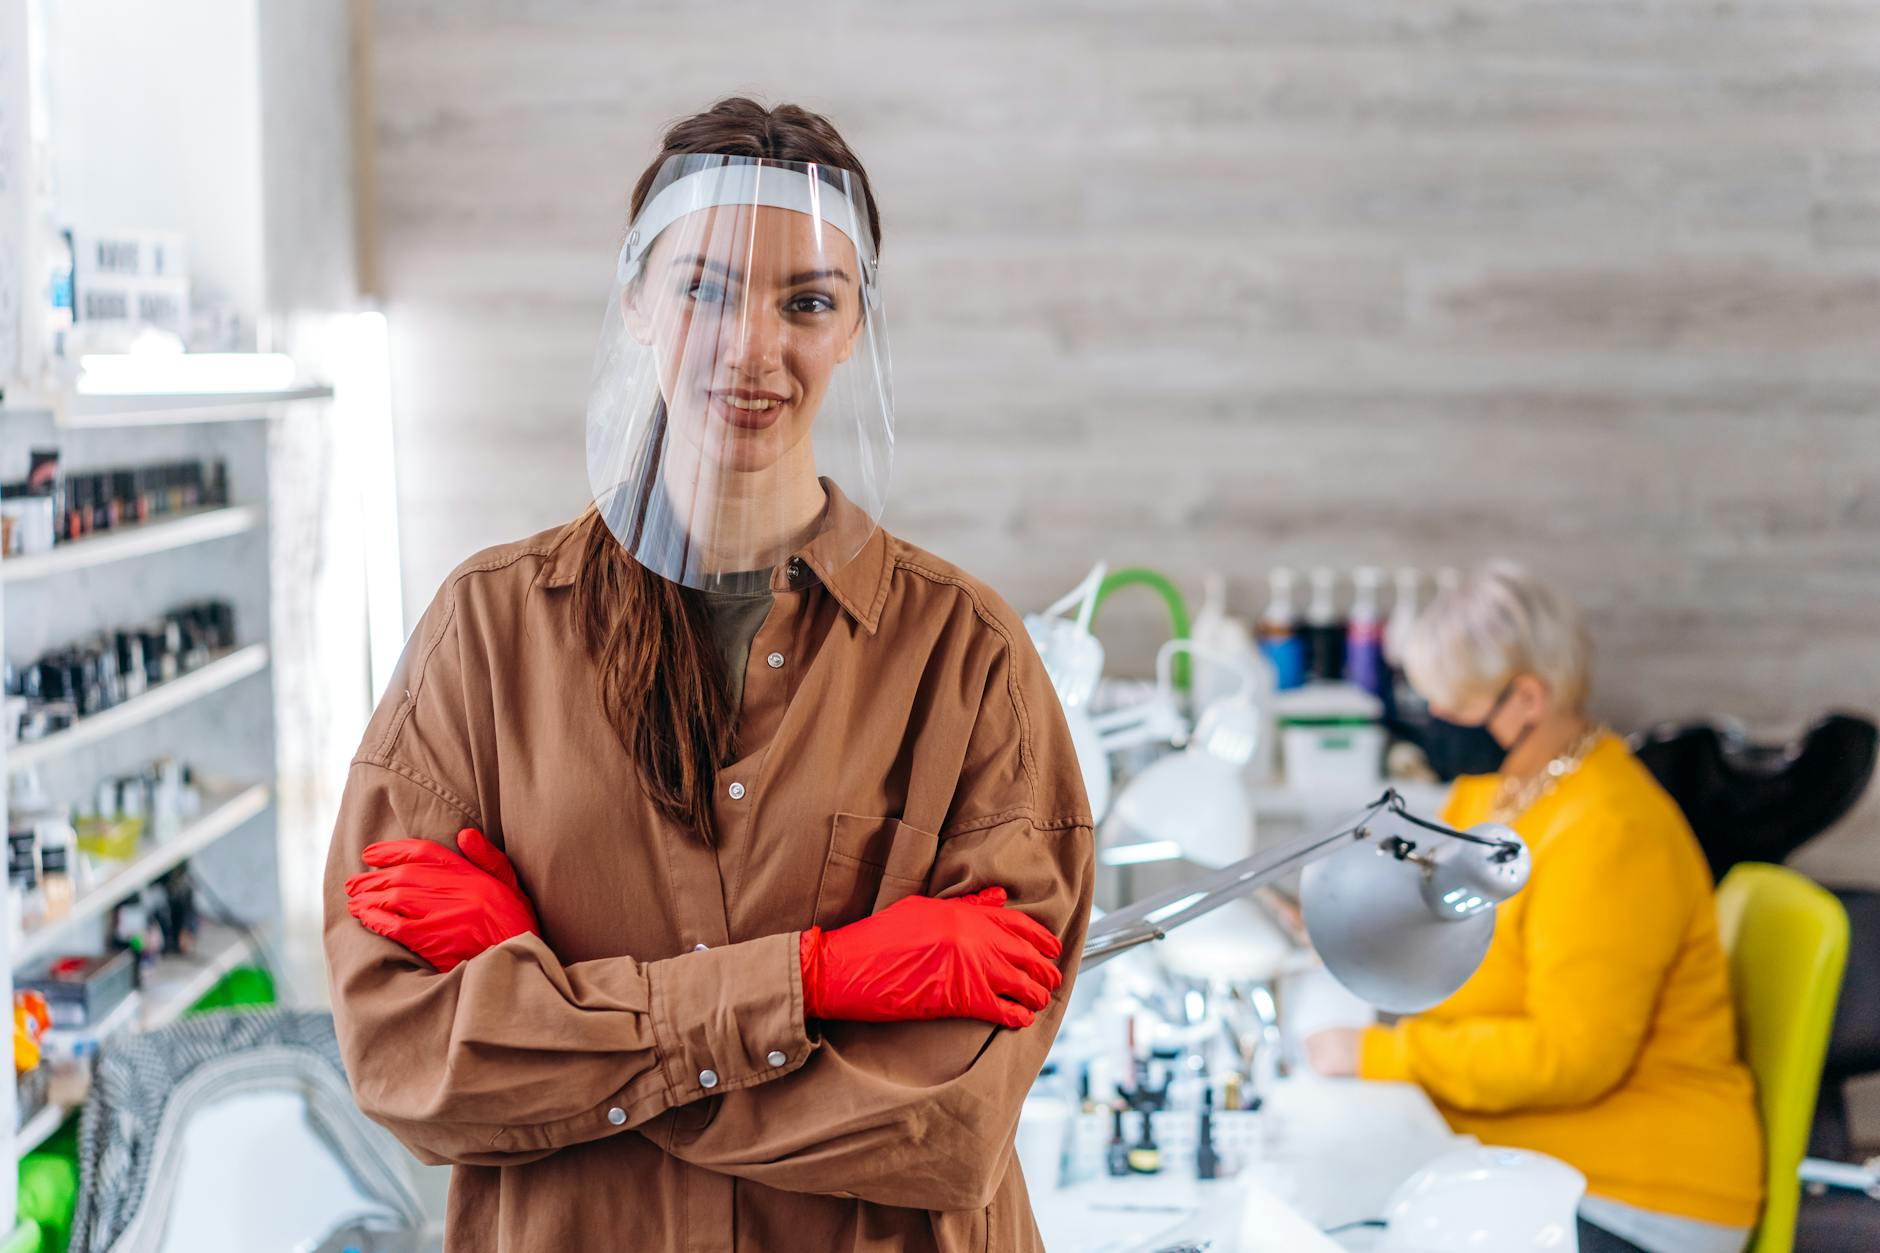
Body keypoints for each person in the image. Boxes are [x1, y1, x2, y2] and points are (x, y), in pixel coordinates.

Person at [323, 97, 1094, 1253]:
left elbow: (944, 1123)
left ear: (854, 328)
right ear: (636, 299)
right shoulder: (484, 632)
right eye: (705, 288)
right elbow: (409, 1062)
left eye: (807, 301)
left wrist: (556, 1016)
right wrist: (817, 979)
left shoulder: (968, 658)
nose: (751, 347)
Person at [1305, 562, 1761, 1253]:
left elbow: (1569, 1057)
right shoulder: (1494, 793)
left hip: (1640, 1193)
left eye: (1448, 704)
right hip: (1536, 1153)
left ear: (1526, 698)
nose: (1432, 721)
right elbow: (1443, 924)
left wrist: (1385, 1054)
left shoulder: (1608, 830)